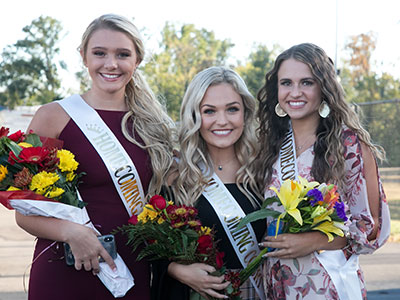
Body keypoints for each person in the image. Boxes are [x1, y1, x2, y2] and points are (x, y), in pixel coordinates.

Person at [15, 14, 174, 300]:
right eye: (99, 53)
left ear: (137, 60)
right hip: (65, 269)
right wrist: (71, 233)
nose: (110, 64)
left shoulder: (154, 126)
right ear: (83, 56)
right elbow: (24, 214)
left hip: (131, 271)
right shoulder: (53, 117)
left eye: (123, 54)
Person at [254, 43, 391, 300]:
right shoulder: (269, 146)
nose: (295, 92)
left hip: (324, 284)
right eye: (286, 83)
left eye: (307, 82)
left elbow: (370, 228)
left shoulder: (348, 146)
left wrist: (314, 241)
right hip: (276, 284)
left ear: (323, 88)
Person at [154, 66, 266, 300]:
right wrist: (177, 270)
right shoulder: (174, 175)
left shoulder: (264, 172)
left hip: (258, 292)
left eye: (232, 109)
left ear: (245, 113)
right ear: (194, 115)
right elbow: (151, 250)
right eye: (209, 111)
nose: (222, 121)